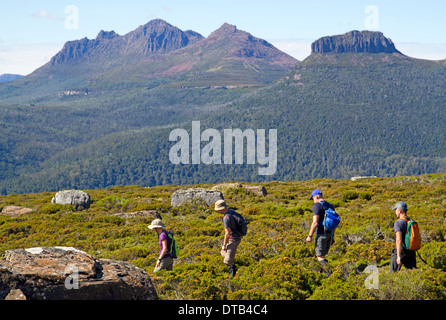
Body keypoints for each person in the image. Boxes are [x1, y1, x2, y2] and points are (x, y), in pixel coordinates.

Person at [305, 189, 334, 276]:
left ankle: (329, 273)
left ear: (316, 197)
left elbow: (315, 223)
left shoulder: (317, 206)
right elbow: (333, 223)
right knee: (323, 255)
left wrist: (310, 235)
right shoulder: (330, 205)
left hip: (321, 234)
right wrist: (333, 237)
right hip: (330, 233)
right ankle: (323, 273)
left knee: (320, 256)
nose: (313, 200)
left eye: (313, 198)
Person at [214, 199, 243, 277]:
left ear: (222, 209)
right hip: (237, 236)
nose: (217, 212)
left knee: (228, 260)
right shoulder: (231, 211)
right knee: (223, 253)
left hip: (233, 239)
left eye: (218, 210)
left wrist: (224, 244)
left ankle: (232, 277)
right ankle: (235, 268)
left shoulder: (226, 218)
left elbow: (227, 234)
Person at [390, 201, 417, 273]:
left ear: (399, 211)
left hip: (401, 251)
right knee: (412, 273)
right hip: (411, 250)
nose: (395, 212)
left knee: (393, 274)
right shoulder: (411, 220)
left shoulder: (398, 222)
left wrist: (398, 256)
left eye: (395, 210)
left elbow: (399, 240)